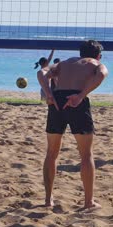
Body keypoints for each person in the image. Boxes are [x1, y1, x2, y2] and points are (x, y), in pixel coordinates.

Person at [38, 40, 108, 209]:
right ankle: (88, 202)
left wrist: (48, 94)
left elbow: (42, 73)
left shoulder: (64, 63)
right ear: (98, 55)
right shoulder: (96, 63)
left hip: (57, 101)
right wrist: (81, 95)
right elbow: (101, 75)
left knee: (51, 153)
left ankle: (48, 200)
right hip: (76, 101)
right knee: (86, 155)